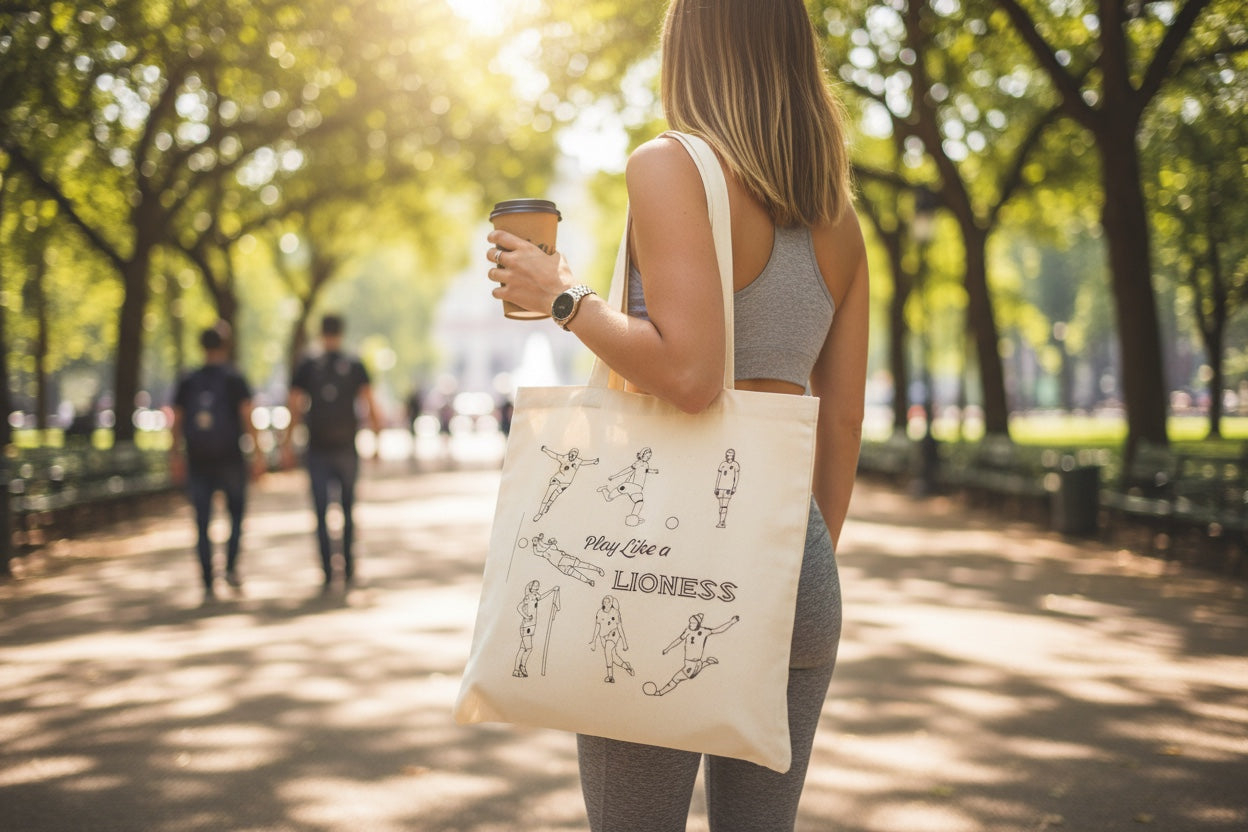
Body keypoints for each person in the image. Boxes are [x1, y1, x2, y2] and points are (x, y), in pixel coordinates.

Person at [485, 1, 866, 828]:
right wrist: (785, 567)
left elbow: (689, 374)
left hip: (656, 561)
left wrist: (562, 298)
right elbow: (839, 425)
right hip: (795, 565)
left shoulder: (669, 166)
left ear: (689, 45)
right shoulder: (838, 215)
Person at [282, 314, 382, 591]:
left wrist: (287, 444)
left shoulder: (308, 365)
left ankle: (328, 571)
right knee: (348, 510)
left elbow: (294, 406)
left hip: (317, 450)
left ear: (320, 333)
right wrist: (376, 441)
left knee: (321, 510)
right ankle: (348, 568)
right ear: (341, 332)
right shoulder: (354, 364)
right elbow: (370, 404)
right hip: (346, 448)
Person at [170, 322, 266, 602]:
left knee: (202, 521)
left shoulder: (189, 380)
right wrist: (258, 454)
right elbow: (248, 417)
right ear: (224, 346)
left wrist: (175, 455)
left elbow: (176, 421)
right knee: (236, 515)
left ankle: (208, 579)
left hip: (198, 459)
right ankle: (232, 568)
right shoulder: (234, 378)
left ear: (202, 347)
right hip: (230, 458)